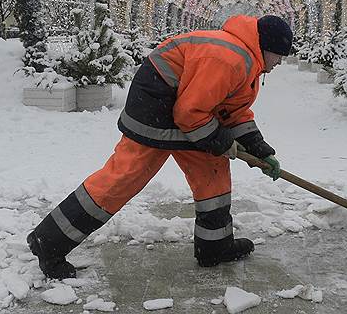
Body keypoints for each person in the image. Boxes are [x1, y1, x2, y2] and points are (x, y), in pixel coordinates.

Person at [27, 14, 294, 279]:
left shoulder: (247, 63)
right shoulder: (230, 59)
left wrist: (261, 151)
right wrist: (222, 142)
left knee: (213, 174)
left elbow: (233, 111)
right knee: (125, 177)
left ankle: (215, 246)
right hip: (154, 108)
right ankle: (48, 241)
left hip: (185, 109)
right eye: (279, 55)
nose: (280, 62)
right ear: (265, 47)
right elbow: (190, 114)